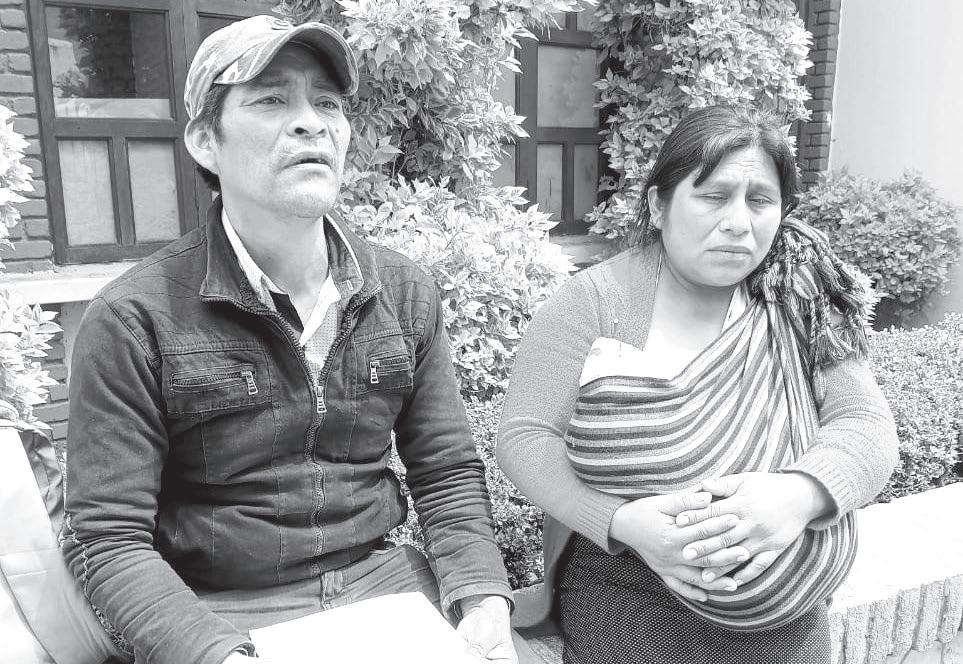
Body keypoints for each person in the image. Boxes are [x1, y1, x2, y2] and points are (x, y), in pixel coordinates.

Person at [62, 15, 520, 664]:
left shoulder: (402, 291)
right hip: (217, 611)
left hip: (382, 588)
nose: (311, 123)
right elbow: (107, 538)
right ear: (205, 142)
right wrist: (214, 654)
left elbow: (444, 468)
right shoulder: (134, 318)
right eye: (271, 100)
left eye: (327, 103)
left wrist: (483, 598)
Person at [497, 105, 899, 663]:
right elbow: (525, 436)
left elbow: (865, 422)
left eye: (760, 200)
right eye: (713, 196)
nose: (738, 222)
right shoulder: (594, 303)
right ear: (658, 204)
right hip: (627, 596)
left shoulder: (795, 296)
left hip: (788, 618)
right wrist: (621, 522)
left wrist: (799, 496)